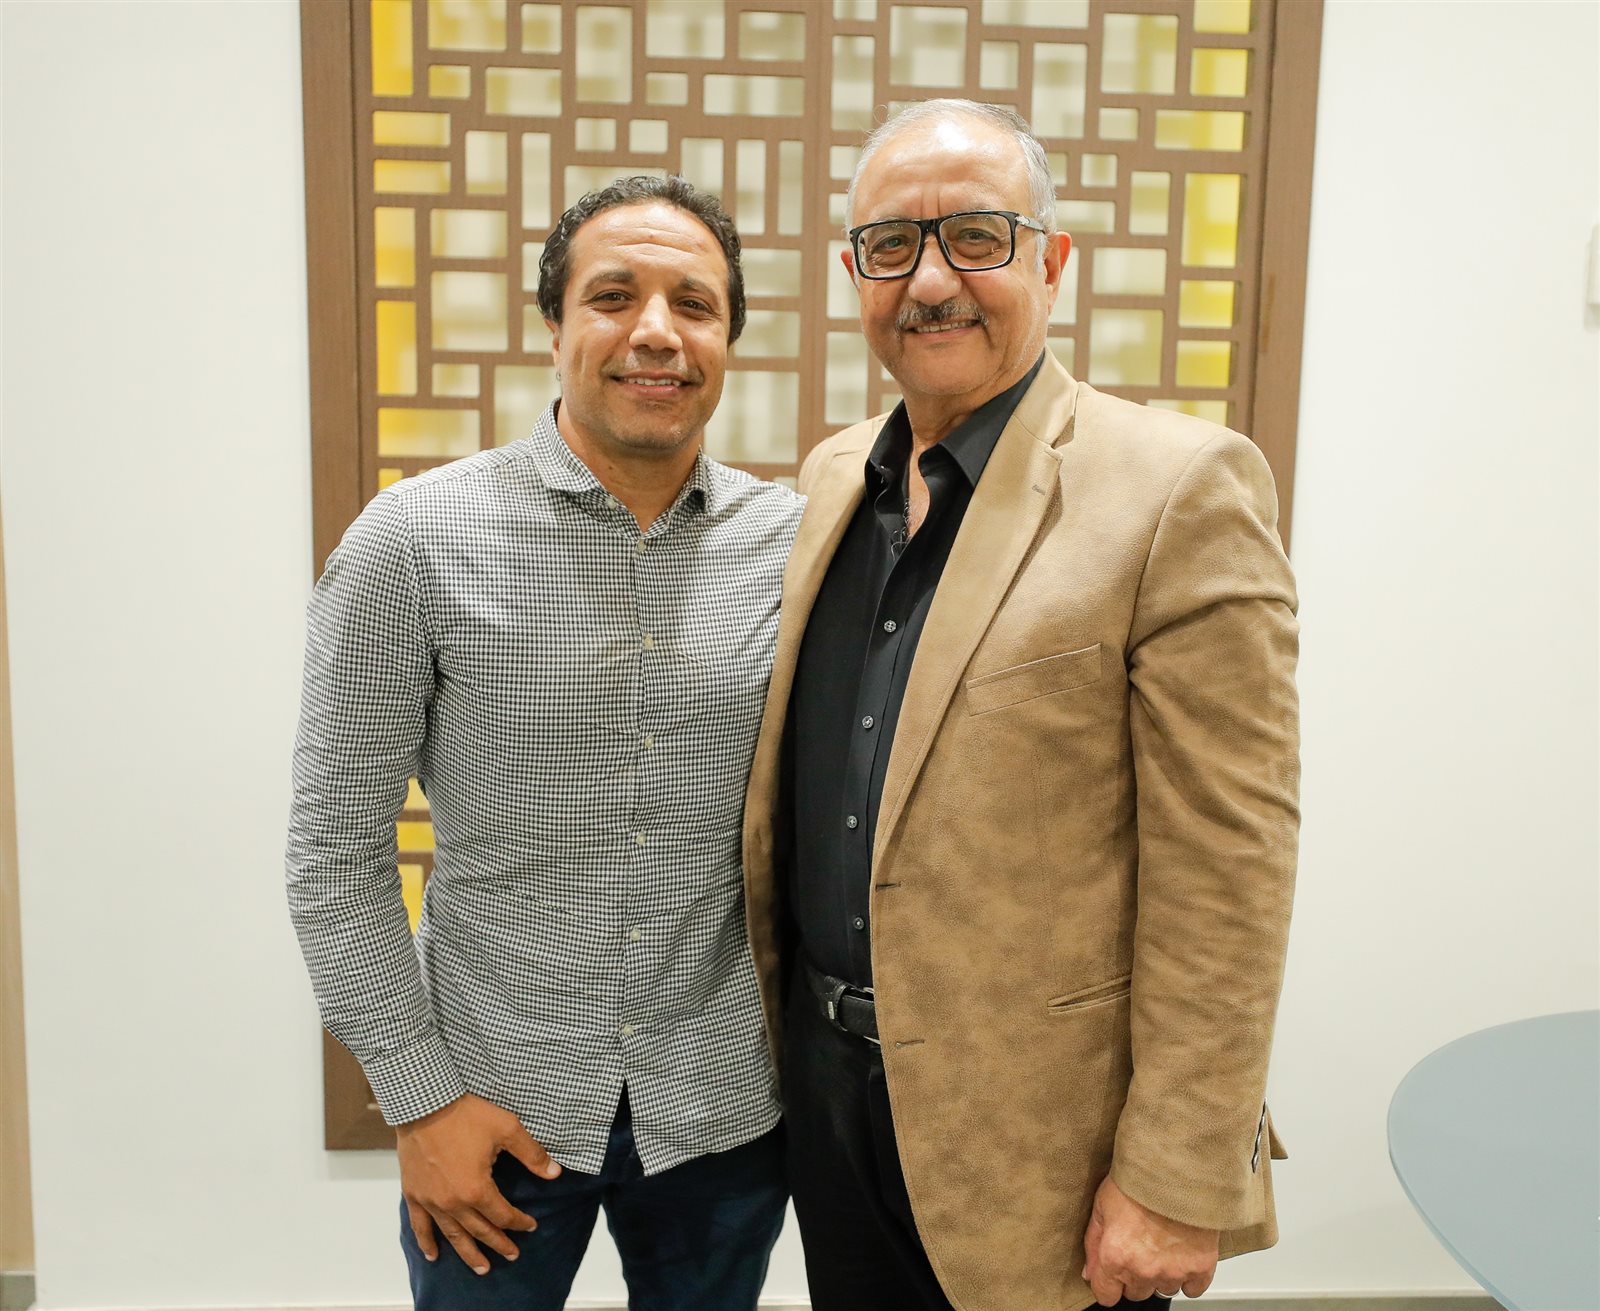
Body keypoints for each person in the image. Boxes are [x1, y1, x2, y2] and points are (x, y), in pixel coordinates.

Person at [741, 99, 1300, 1311]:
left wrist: (1176, 1174)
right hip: (831, 1104)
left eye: (975, 237)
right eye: (892, 245)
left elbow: (1230, 870)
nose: (931, 280)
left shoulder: (1177, 486)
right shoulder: (835, 477)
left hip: (1045, 1142)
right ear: (854, 275)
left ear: (1051, 262)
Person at [286, 175, 799, 1311]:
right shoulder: (413, 540)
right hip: (491, 1097)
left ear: (728, 339)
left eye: (694, 304)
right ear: (553, 324)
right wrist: (419, 1101)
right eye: (613, 296)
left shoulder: (796, 546)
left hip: (719, 1102)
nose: (656, 332)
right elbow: (334, 855)